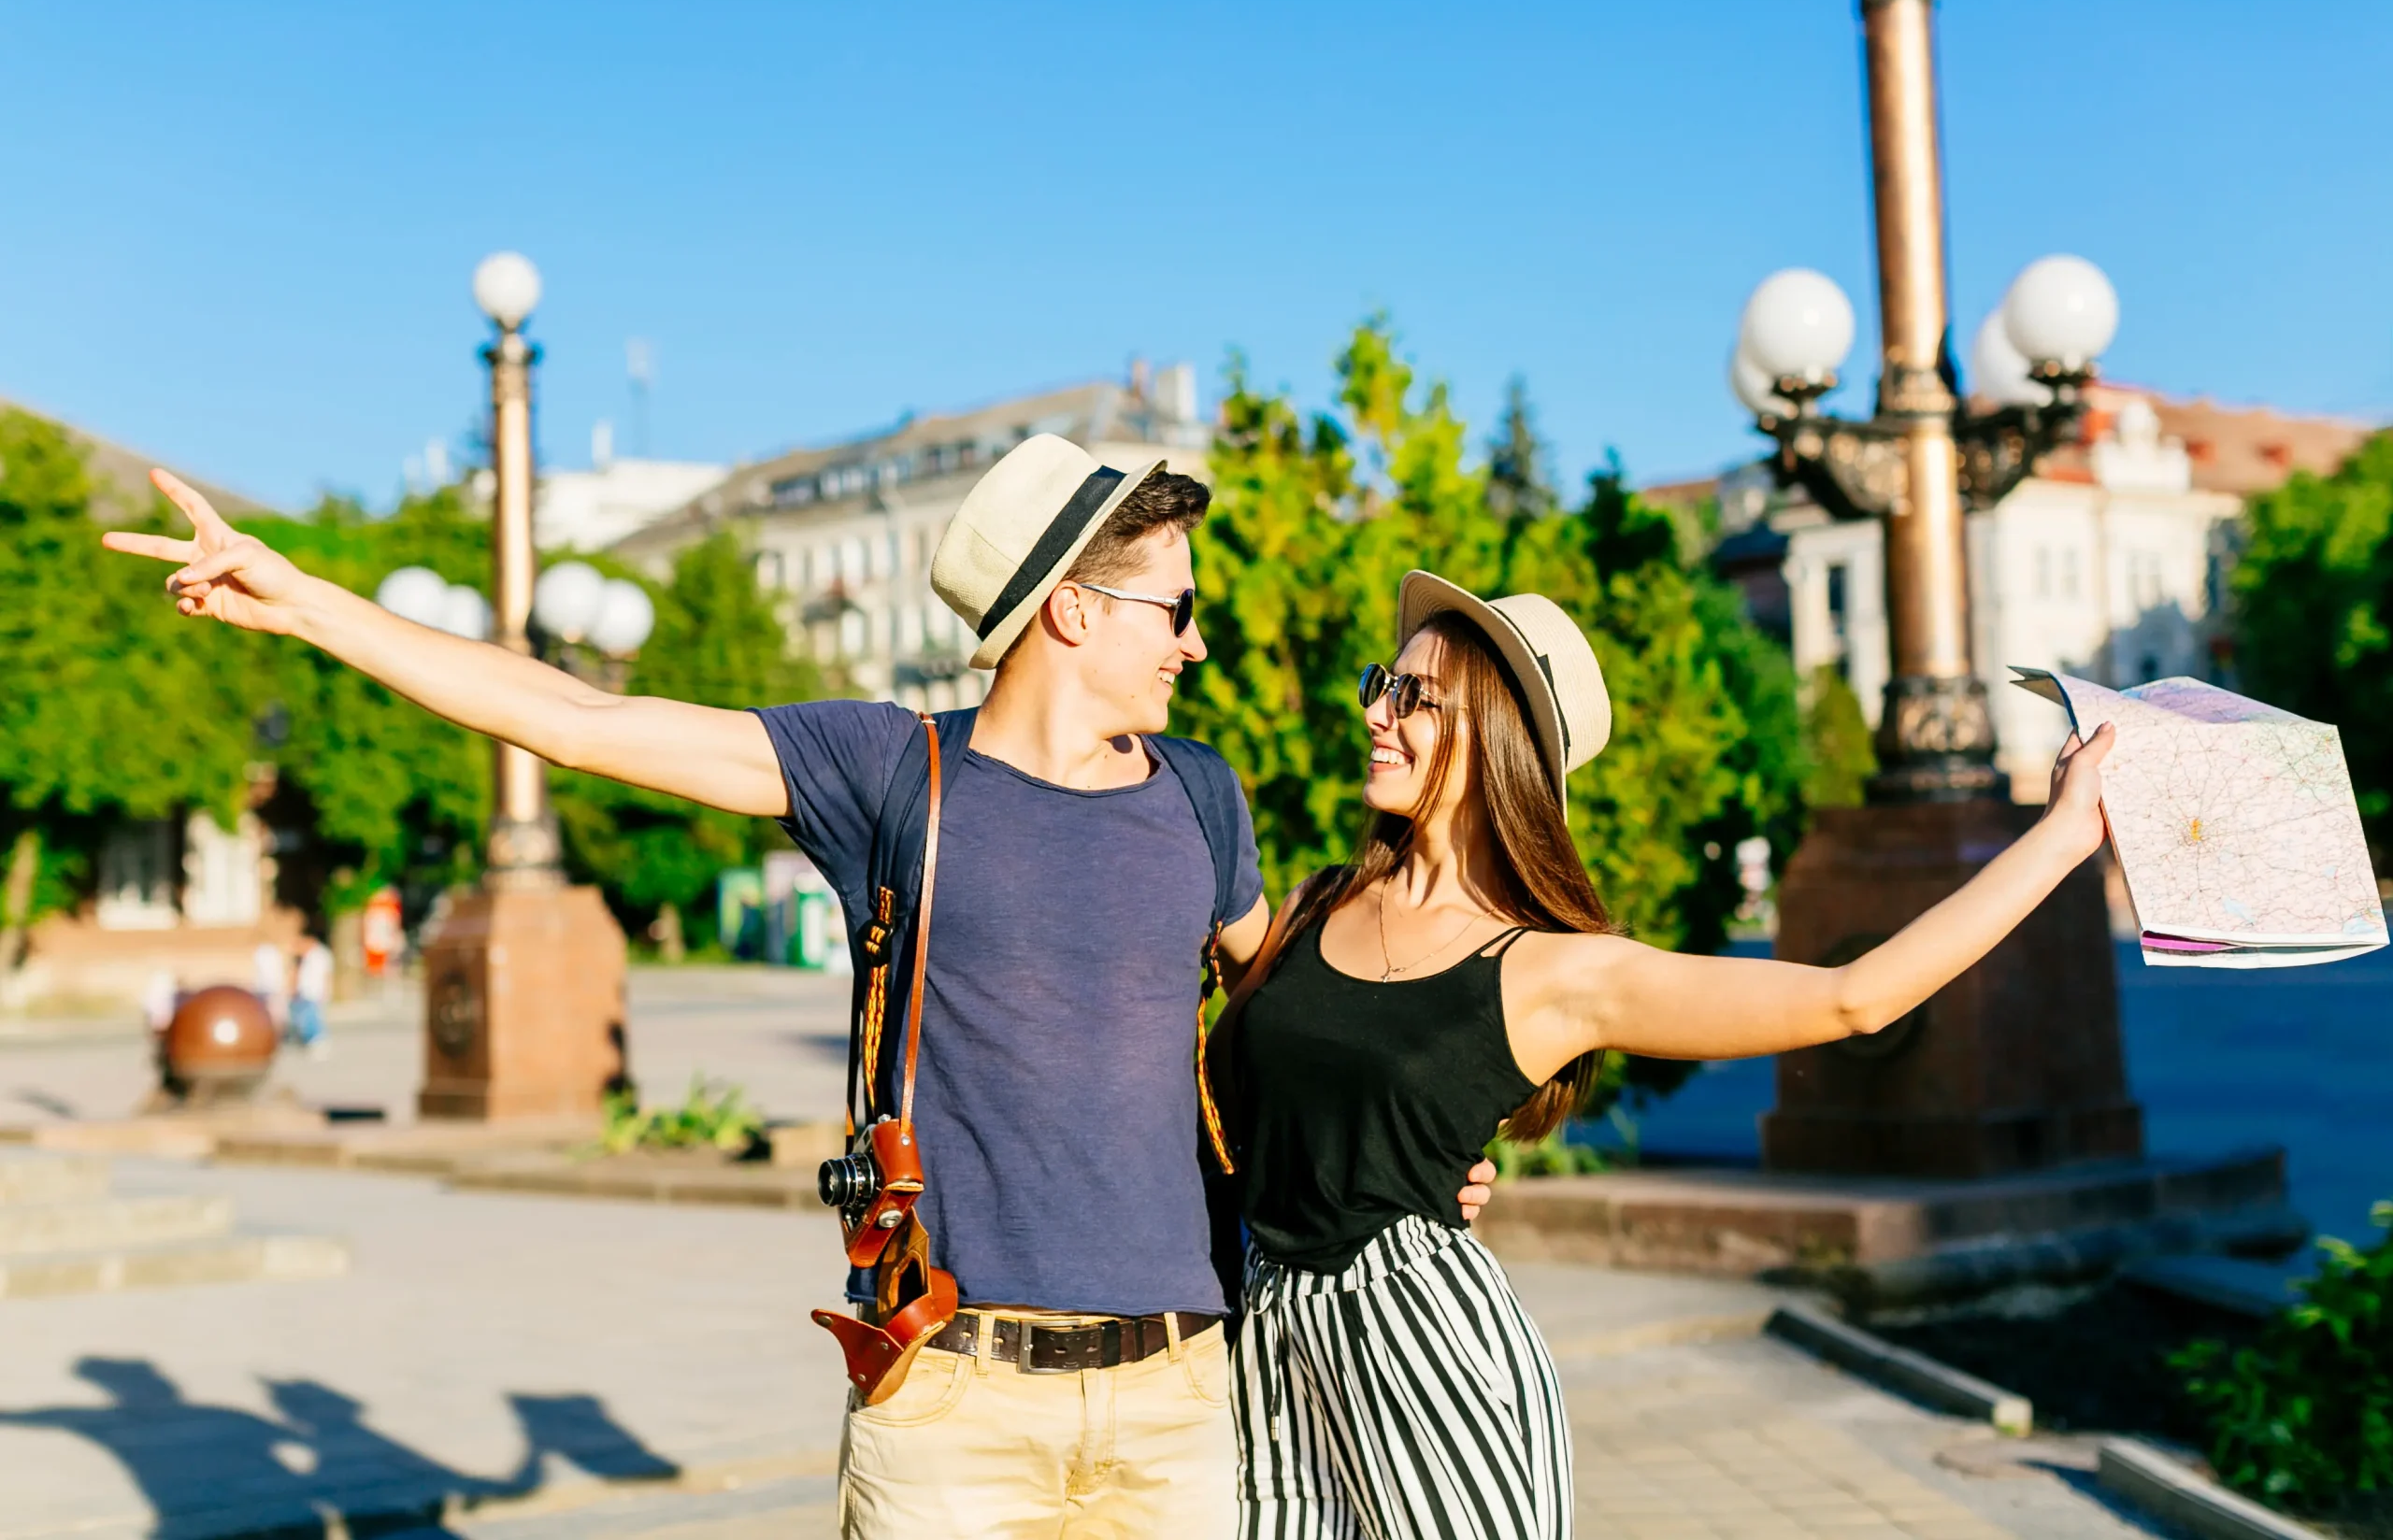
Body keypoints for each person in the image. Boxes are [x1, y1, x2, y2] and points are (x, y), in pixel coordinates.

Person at [103, 441, 1491, 1539]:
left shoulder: (1199, 793)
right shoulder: (890, 772)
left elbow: (1286, 1017)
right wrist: (307, 604)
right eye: (1177, 611)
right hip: (949, 1402)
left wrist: (1413, 1143)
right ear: (1075, 607)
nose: (1195, 643)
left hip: (1180, 1399)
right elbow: (581, 720)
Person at [1209, 572, 2116, 1540]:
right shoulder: (1320, 902)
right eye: (1382, 683)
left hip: (1423, 1360)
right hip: (1267, 1352)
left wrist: (2062, 836)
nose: (1377, 714)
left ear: (1496, 740)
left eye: (1414, 697)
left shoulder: (1556, 972)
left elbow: (1855, 997)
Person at [289, 933, 334, 1058]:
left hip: (315, 991)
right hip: (304, 991)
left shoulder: (321, 955)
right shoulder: (306, 956)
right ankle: (309, 1040)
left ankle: (318, 1041)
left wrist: (325, 991)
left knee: (313, 1017)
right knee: (303, 1017)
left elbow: (326, 974)